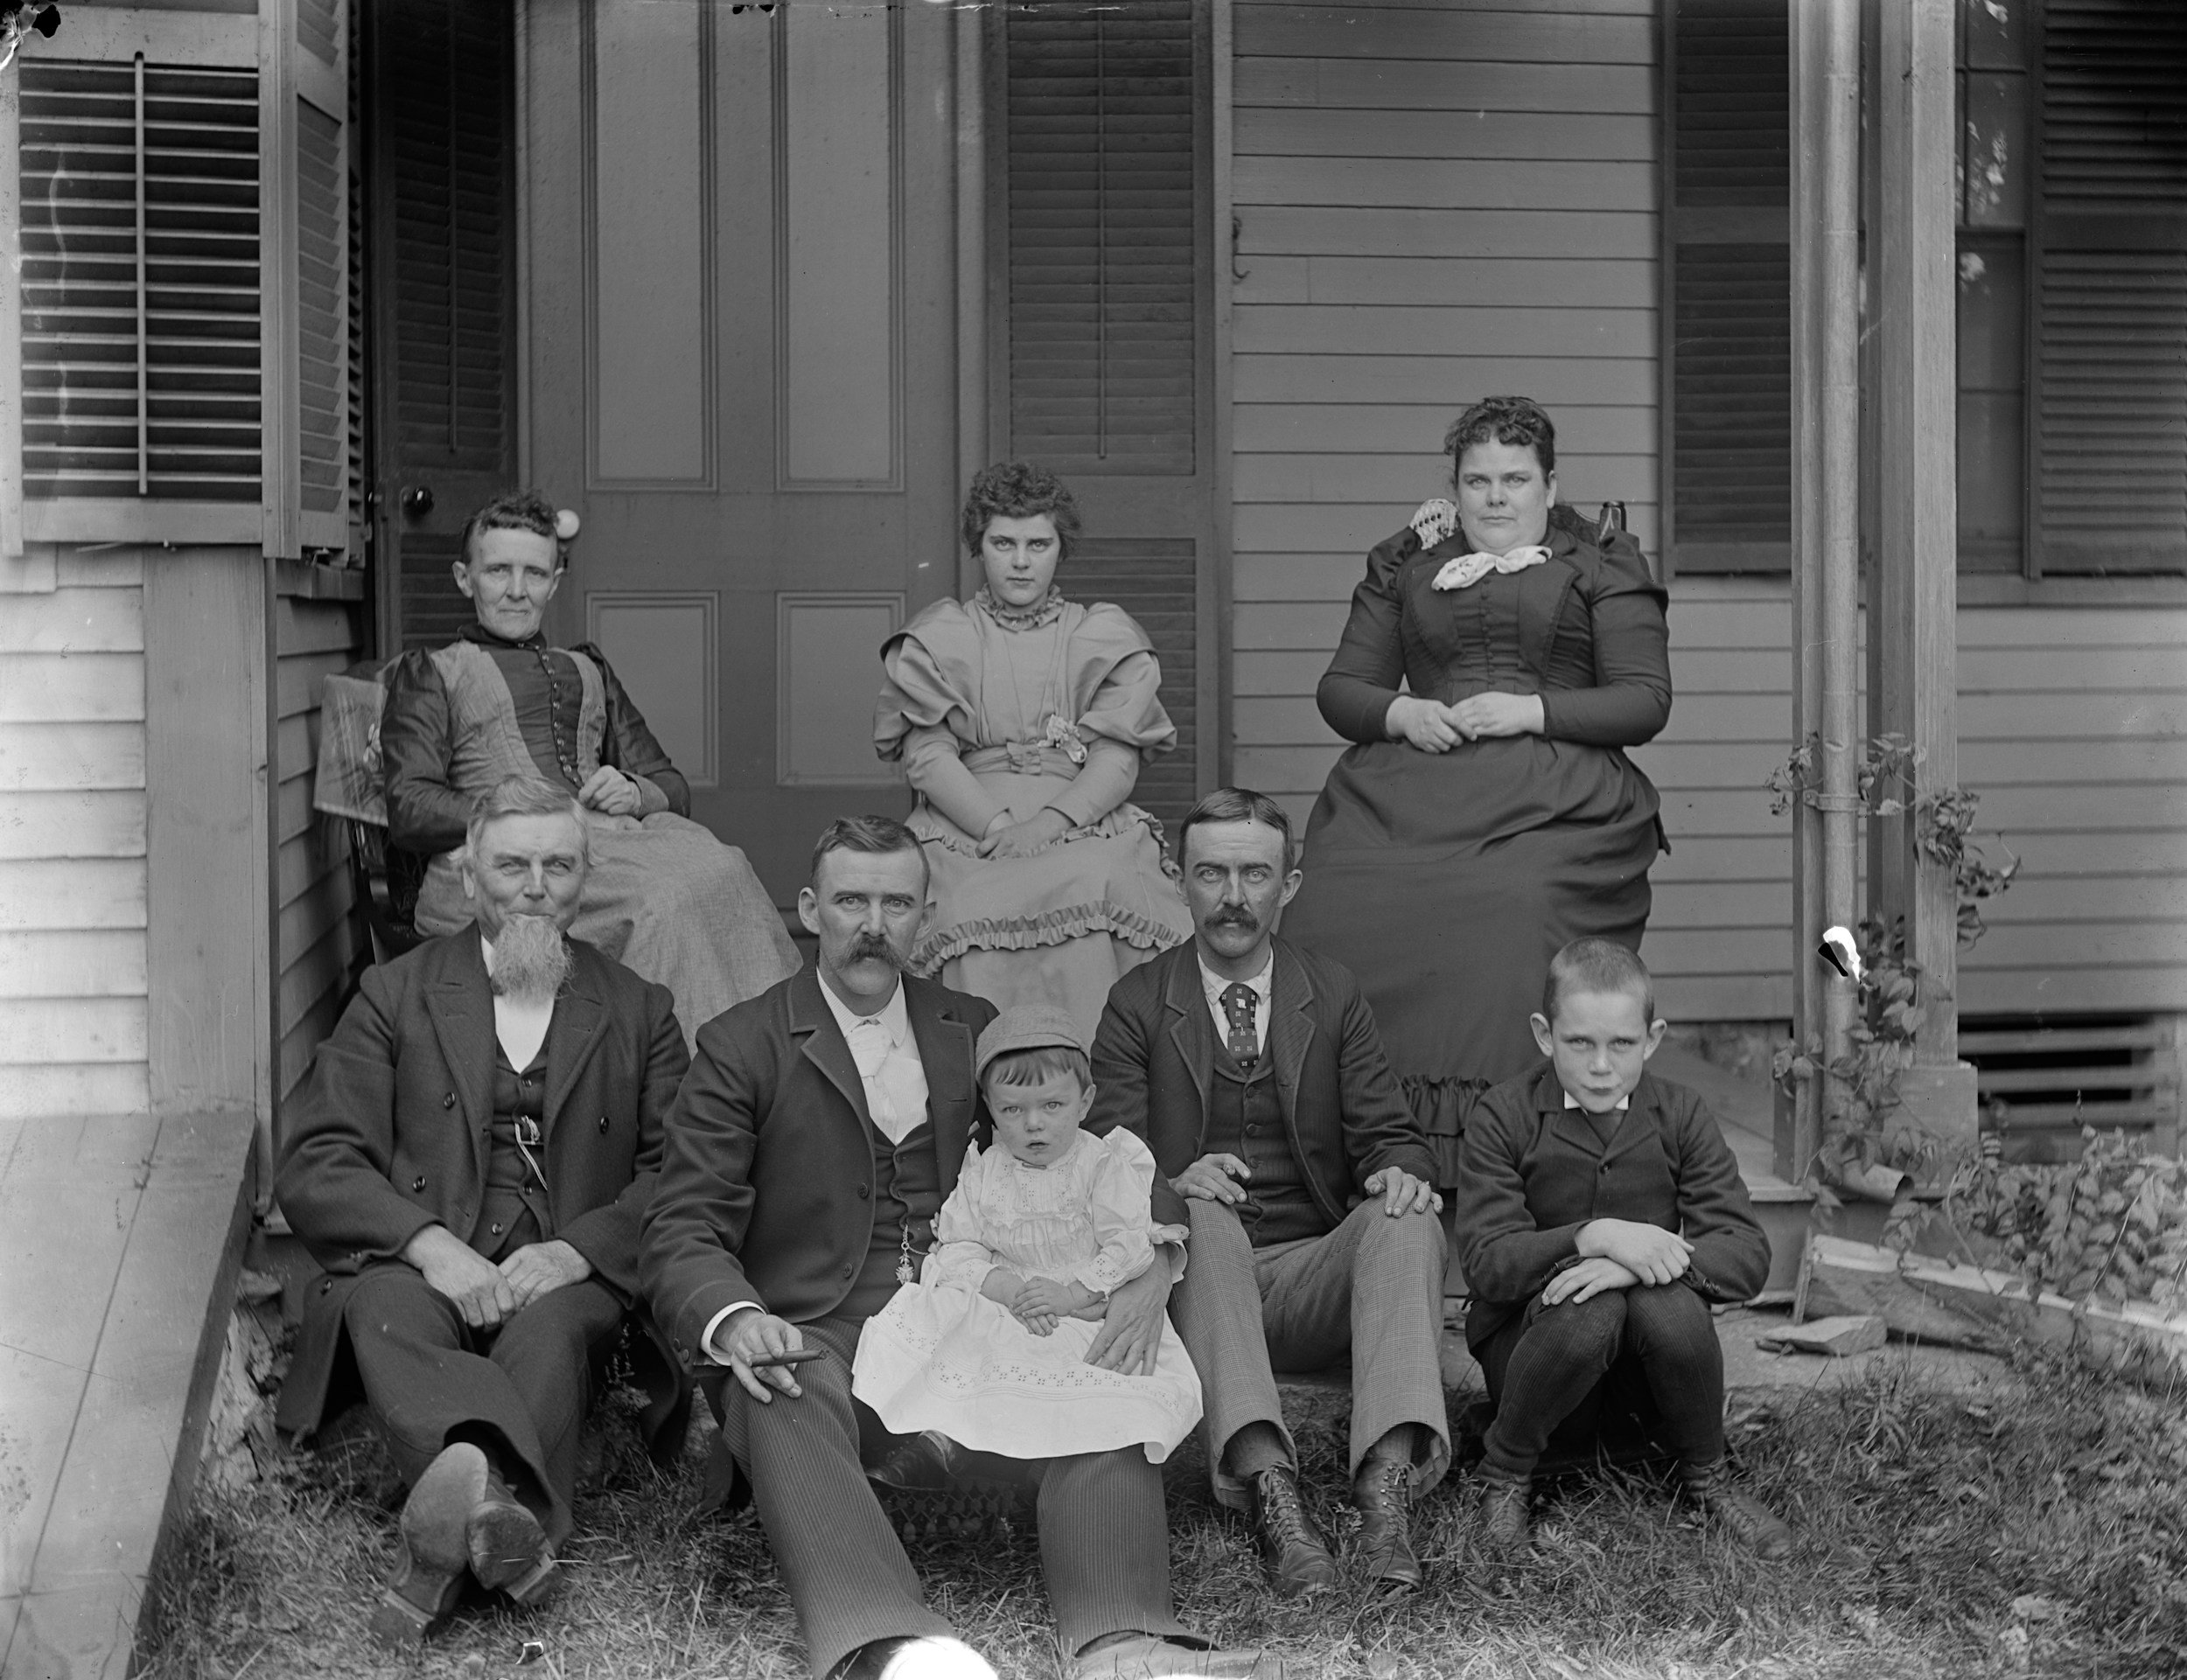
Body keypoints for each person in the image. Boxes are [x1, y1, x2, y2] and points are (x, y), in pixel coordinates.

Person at [639, 817, 1276, 1680]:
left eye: (896, 902)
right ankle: (893, 1645)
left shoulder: (970, 1026)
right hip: (823, 1325)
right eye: (850, 900)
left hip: (974, 1319)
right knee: (777, 1375)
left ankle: (1120, 1638)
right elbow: (683, 1226)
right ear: (808, 908)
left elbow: (1093, 1152)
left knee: (1103, 1354)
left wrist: (1155, 1260)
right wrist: (735, 1315)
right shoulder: (742, 1043)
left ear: (924, 915)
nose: (873, 923)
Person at [275, 776, 690, 1649]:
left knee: (550, 1331)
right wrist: (427, 1245)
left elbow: (679, 1166)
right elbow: (317, 1158)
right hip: (425, 1255)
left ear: (585, 876)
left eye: (558, 864)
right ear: (470, 878)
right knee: (380, 1307)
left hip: (560, 1265)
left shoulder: (640, 1008)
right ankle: (509, 1526)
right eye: (511, 864)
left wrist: (581, 1250)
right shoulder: (397, 993)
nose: (535, 884)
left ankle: (454, 1534)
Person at [1280, 396, 1672, 1183]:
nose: (1496, 497)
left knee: (1509, 903)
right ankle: (1361, 1139)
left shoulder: (1599, 562)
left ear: (1550, 486)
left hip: (1559, 795)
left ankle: (1496, 1154)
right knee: (1334, 898)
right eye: (1478, 480)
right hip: (1414, 783)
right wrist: (1400, 711)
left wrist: (1532, 709)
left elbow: (1644, 698)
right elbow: (1340, 688)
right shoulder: (1410, 563)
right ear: (1453, 487)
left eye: (1516, 479)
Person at [1087, 788, 1449, 1599]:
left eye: (1256, 874)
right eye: (1212, 873)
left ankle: (1384, 1490)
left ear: (1289, 884)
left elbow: (1392, 1132)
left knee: (1406, 1215)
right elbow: (1105, 1158)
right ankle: (1271, 1492)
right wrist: (1175, 1182)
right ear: (1180, 879)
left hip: (1312, 1273)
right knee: (1202, 1217)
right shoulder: (1138, 1003)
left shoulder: (1332, 993)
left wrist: (1399, 1170)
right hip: (1202, 1287)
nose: (1234, 896)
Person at [381, 490, 799, 1046]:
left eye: (534, 573)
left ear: (554, 582)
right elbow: (410, 805)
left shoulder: (587, 667)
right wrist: (559, 817)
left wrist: (632, 789)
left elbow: (670, 786)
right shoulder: (435, 673)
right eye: (497, 571)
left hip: (611, 849)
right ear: (465, 578)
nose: (515, 590)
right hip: (501, 866)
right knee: (662, 899)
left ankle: (762, 1066)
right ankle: (678, 1086)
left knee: (724, 866)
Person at [1449, 938, 1790, 1559]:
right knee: (1590, 1310)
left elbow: (1746, 1251)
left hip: (1645, 1377)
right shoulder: (1503, 1114)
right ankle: (1505, 1473)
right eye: (1580, 1042)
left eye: (1622, 1044)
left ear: (1653, 1038)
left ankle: (1707, 1472)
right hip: (1536, 1352)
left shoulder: (1679, 1113)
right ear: (1545, 1034)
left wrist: (1633, 1263)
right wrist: (1592, 1237)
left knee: (1668, 1302)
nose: (1601, 1065)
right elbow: (1488, 1260)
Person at [873, 460, 1192, 1047]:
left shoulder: (1099, 634)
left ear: (1059, 548)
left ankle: (1101, 1081)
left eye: (1038, 544)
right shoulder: (943, 636)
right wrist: (996, 825)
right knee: (965, 900)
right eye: (1004, 543)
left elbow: (1117, 759)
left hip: (1077, 815)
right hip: (968, 821)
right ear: (980, 545)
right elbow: (928, 756)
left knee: (1107, 880)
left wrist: (1050, 823)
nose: (1020, 561)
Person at [850, 1005, 1203, 1476]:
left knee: (1079, 1370)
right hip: (1009, 1301)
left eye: (1052, 1106)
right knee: (965, 1333)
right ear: (991, 1108)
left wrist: (1073, 1292)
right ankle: (940, 1444)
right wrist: (1005, 1289)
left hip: (1082, 1307)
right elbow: (958, 1247)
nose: (1033, 1124)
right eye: (1012, 1110)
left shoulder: (1100, 1165)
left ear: (1085, 1101)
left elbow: (1129, 1245)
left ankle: (1034, 1459)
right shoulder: (985, 1169)